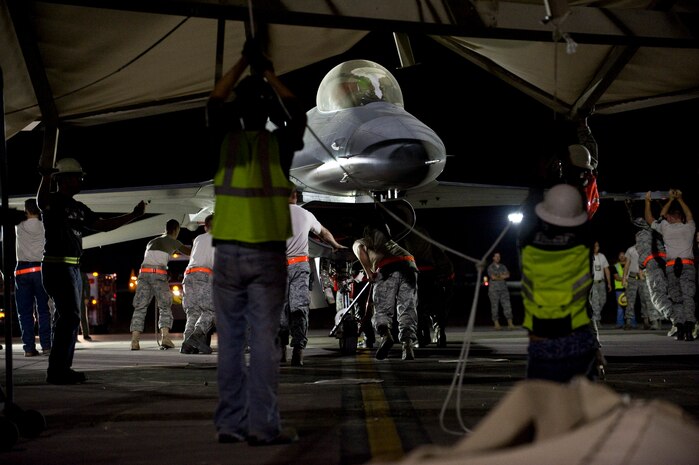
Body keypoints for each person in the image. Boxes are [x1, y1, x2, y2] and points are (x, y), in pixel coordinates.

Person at [207, 38, 306, 445]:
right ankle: (263, 427)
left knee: (230, 343)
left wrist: (240, 64)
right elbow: (297, 110)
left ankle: (229, 425)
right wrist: (266, 71)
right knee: (264, 342)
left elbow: (214, 101)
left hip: (226, 253)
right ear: (266, 111)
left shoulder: (223, 143)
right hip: (266, 254)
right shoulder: (276, 147)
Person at [37, 157, 146, 384]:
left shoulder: (79, 208)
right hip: (57, 266)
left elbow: (103, 225)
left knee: (68, 318)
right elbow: (41, 200)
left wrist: (133, 215)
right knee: (69, 316)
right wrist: (46, 176)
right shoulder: (53, 202)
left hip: (72, 268)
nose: (80, 180)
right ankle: (58, 371)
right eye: (77, 177)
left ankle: (60, 368)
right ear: (64, 179)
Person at [518, 183, 600, 383]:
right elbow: (584, 221)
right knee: (582, 406)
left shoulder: (528, 248)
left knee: (547, 407)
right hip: (577, 337)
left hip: (541, 341)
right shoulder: (581, 247)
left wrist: (537, 181)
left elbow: (529, 212)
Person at [280, 189, 345, 366]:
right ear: (296, 196)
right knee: (299, 308)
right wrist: (335, 245)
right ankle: (298, 351)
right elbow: (324, 232)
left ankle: (280, 349)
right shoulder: (307, 214)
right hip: (300, 265)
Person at [353, 222, 419, 361]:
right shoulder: (391, 242)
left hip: (387, 267)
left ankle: (386, 336)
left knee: (382, 309)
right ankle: (407, 346)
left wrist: (369, 273)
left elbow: (359, 249)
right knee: (407, 307)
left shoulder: (364, 240)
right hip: (409, 264)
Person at [130, 219, 192, 351]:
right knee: (165, 305)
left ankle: (134, 341)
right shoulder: (173, 241)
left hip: (143, 274)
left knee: (140, 307)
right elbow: (190, 252)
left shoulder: (152, 242)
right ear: (175, 230)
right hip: (158, 274)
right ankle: (165, 338)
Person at [645, 189, 696, 341]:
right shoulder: (689, 228)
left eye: (668, 216)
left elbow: (650, 219)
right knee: (688, 298)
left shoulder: (666, 228)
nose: (665, 217)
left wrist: (648, 202)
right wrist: (679, 199)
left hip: (672, 268)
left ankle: (680, 328)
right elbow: (689, 215)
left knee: (677, 299)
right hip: (687, 266)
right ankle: (688, 327)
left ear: (672, 217)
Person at [400, 225, 454, 348]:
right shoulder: (431, 245)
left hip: (415, 275)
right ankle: (440, 334)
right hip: (432, 275)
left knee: (417, 308)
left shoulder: (405, 241)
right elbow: (445, 263)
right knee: (437, 308)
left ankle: (422, 337)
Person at [14, 198, 52, 357]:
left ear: (26, 210)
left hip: (22, 270)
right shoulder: (45, 225)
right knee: (44, 310)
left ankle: (29, 348)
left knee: (25, 312)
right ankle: (46, 346)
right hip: (40, 269)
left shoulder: (19, 226)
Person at [180, 214, 216, 355]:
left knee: (193, 312)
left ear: (205, 227)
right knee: (210, 311)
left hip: (188, 275)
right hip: (204, 275)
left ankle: (187, 344)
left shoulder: (198, 238)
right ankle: (196, 337)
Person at [623, 243, 660, 330]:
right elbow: (627, 264)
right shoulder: (631, 249)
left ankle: (649, 322)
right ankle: (628, 322)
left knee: (647, 300)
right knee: (630, 300)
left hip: (644, 278)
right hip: (632, 278)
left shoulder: (647, 249)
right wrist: (624, 278)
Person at [486, 251, 515, 330]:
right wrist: (502, 276)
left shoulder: (503, 266)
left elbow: (508, 275)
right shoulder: (490, 267)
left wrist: (499, 276)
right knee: (495, 306)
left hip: (504, 289)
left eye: (499, 256)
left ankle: (510, 323)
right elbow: (493, 277)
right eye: (496, 256)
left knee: (507, 306)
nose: (498, 258)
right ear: (493, 258)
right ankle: (496, 323)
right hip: (494, 290)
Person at [589, 241, 611, 329]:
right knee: (595, 302)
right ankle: (597, 321)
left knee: (603, 300)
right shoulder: (589, 256)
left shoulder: (602, 256)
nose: (596, 247)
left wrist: (609, 283)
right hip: (592, 283)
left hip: (601, 282)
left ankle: (594, 316)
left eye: (597, 246)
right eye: (594, 246)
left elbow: (606, 270)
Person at [612, 250, 636, 329]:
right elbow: (616, 277)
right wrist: (625, 279)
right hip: (619, 289)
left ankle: (632, 323)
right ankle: (620, 323)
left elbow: (634, 276)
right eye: (620, 255)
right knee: (620, 307)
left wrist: (625, 279)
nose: (622, 257)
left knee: (631, 306)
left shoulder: (631, 265)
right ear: (618, 257)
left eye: (623, 255)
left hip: (630, 288)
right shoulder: (616, 266)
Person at [79, 271, 92, 341]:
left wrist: (87, 297)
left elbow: (87, 285)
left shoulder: (82, 273)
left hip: (80, 298)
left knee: (83, 316)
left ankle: (86, 334)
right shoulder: (69, 272)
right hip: (72, 297)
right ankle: (73, 335)